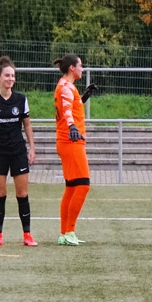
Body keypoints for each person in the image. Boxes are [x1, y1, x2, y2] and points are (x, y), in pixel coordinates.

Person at [0, 56, 37, 247]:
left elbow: (27, 125)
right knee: (0, 193)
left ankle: (27, 234)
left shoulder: (21, 99)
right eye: (7, 75)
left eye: (12, 75)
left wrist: (32, 148)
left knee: (22, 193)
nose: (10, 79)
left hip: (18, 151)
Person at [53, 53, 97, 246]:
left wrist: (84, 96)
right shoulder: (66, 87)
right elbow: (66, 109)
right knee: (83, 185)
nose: (82, 68)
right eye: (80, 65)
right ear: (72, 68)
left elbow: (72, 105)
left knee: (71, 187)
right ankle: (69, 231)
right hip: (71, 141)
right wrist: (72, 126)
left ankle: (65, 233)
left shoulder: (66, 86)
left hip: (67, 141)